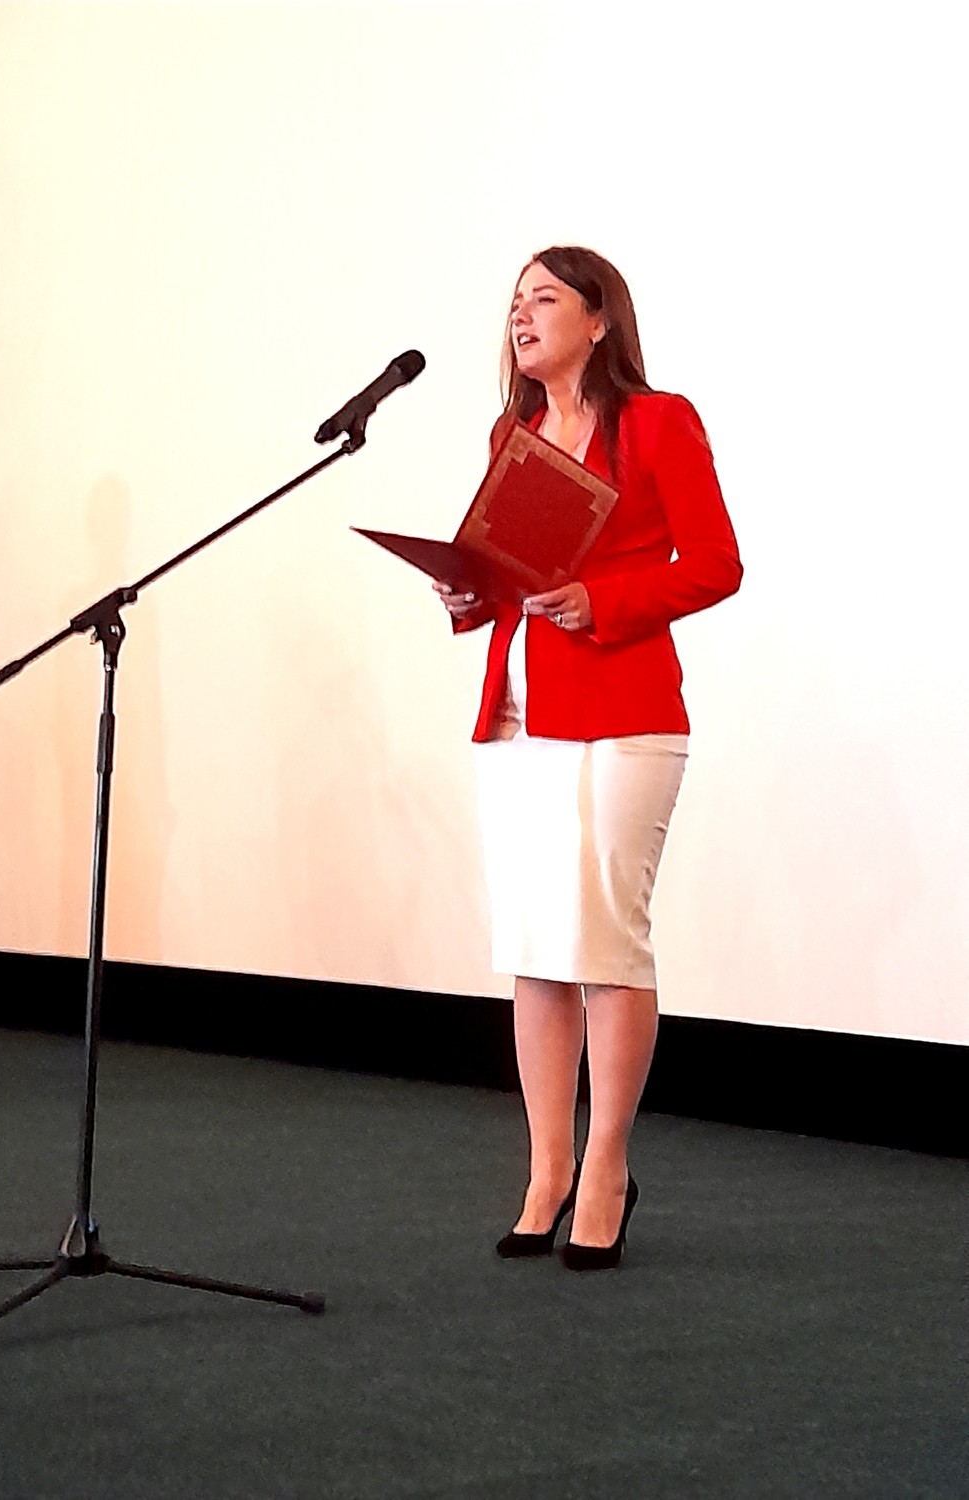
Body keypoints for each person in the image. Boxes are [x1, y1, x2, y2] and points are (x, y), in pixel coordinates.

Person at [435, 246, 742, 1270]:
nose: (521, 316)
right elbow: (504, 573)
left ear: (599, 318)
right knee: (535, 947)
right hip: (520, 714)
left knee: (604, 944)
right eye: (514, 302)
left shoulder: (656, 422)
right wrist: (467, 593)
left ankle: (606, 1168)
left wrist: (603, 601)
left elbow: (716, 563)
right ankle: (547, 1171)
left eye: (545, 298)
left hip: (621, 709)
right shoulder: (514, 433)